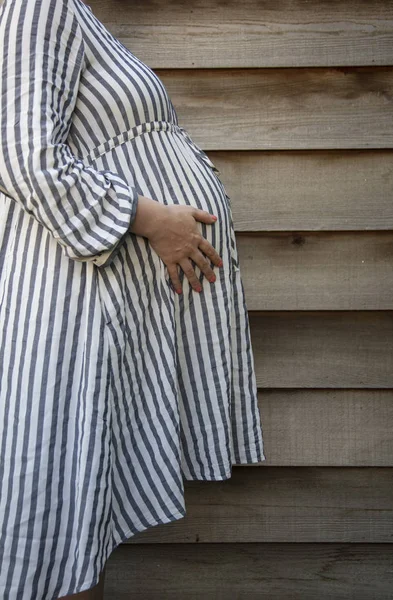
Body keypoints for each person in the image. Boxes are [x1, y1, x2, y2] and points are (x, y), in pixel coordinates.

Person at [0, 0, 266, 597]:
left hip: (102, 295)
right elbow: (23, 155)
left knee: (76, 519)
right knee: (55, 528)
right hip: (77, 298)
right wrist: (151, 219)